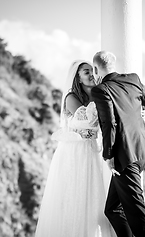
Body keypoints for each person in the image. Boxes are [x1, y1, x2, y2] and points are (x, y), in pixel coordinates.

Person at [34, 60, 115, 237]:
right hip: (74, 152)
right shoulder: (71, 97)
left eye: (92, 71)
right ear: (77, 78)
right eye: (86, 72)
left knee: (92, 197)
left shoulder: (98, 94)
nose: (91, 74)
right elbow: (89, 120)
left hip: (91, 150)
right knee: (73, 195)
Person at [91, 51, 145, 237]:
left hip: (124, 156)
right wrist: (135, 107)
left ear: (96, 69)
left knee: (136, 208)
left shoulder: (100, 90)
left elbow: (109, 124)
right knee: (112, 209)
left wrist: (109, 156)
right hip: (142, 150)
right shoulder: (133, 79)